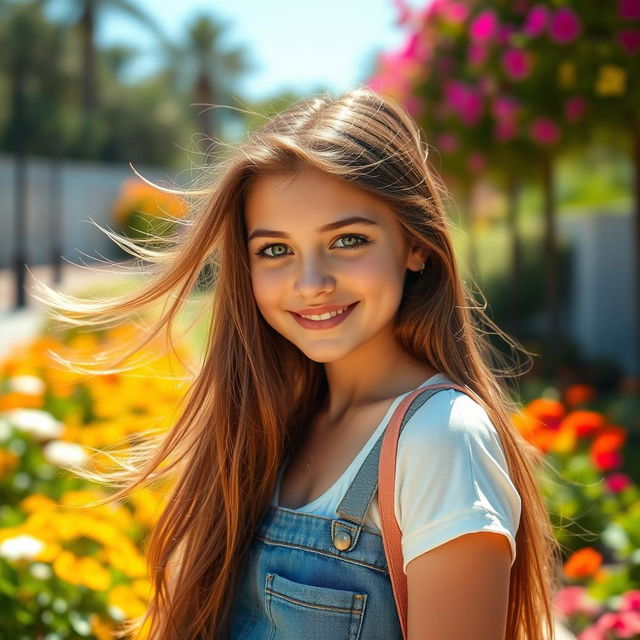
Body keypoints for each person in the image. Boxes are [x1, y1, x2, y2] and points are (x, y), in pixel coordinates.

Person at [30, 87, 563, 640]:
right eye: (275, 250)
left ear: (416, 245)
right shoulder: (268, 422)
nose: (310, 284)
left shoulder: (439, 438)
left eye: (348, 240)